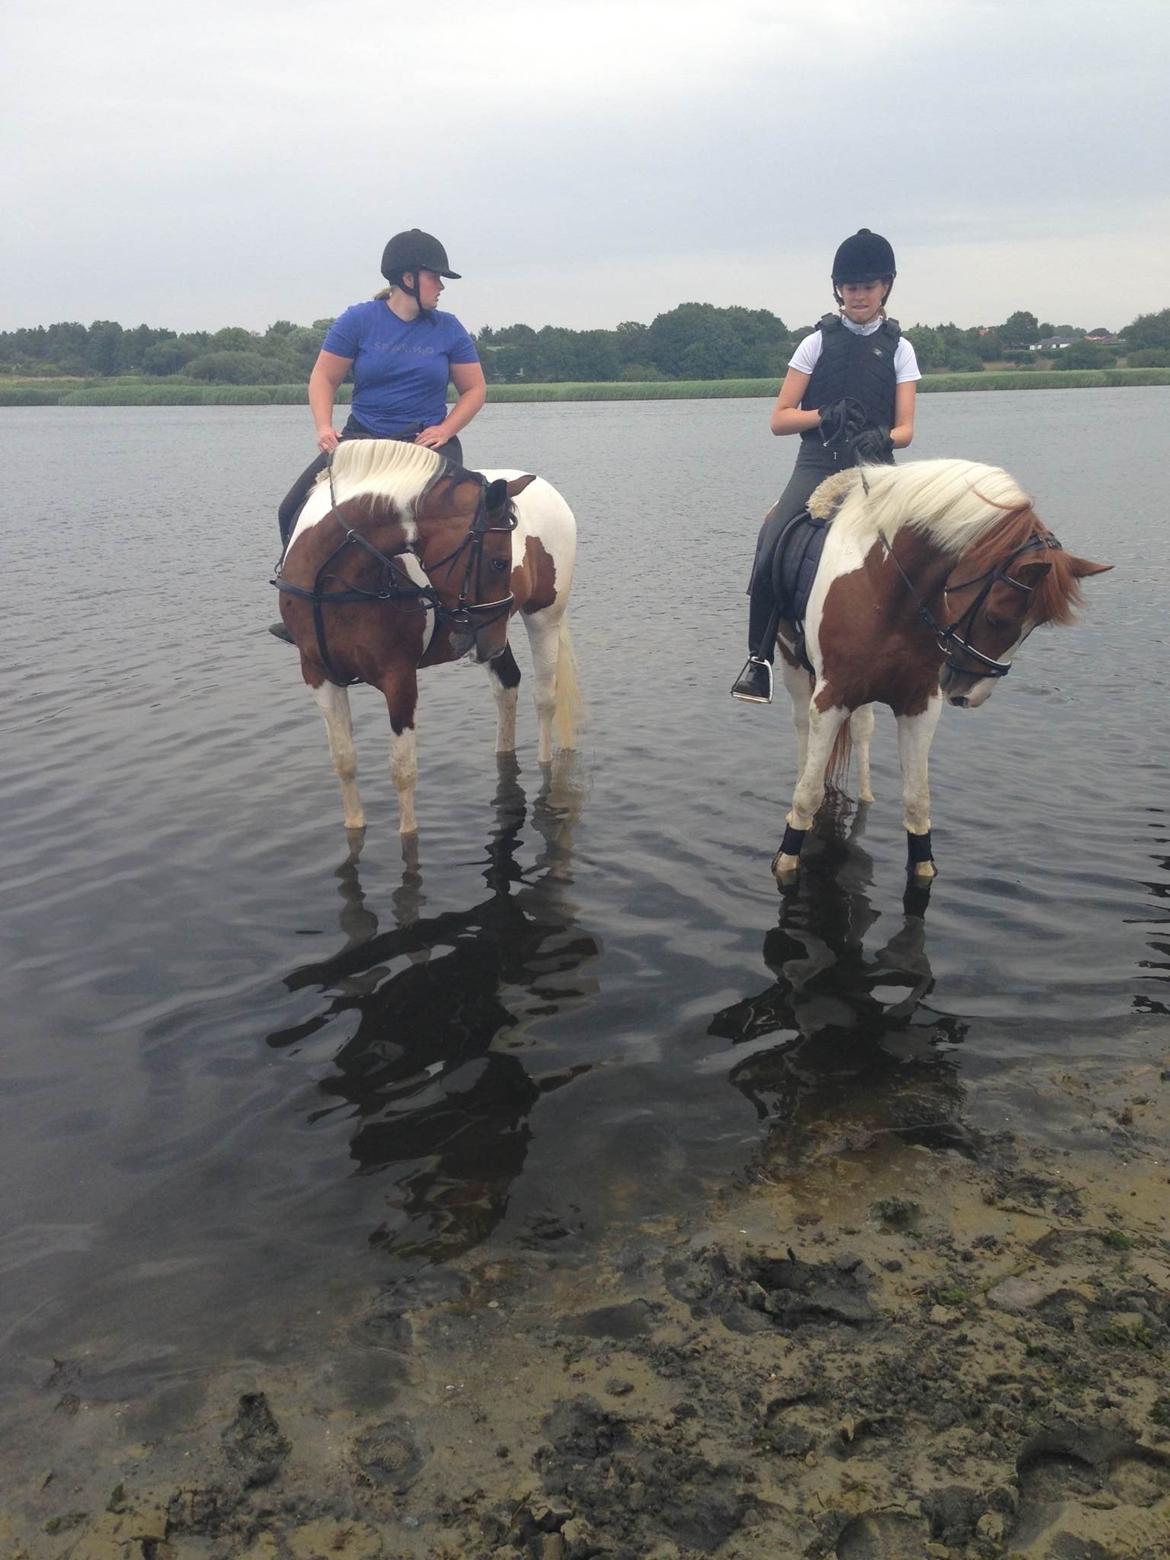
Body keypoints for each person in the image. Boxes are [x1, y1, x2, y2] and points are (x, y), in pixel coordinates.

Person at [730, 228, 920, 703]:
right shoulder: (815, 344)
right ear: (839, 289)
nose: (859, 296)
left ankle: (931, 651)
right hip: (818, 464)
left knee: (927, 544)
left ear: (885, 287)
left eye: (868, 287)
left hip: (876, 469)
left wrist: (884, 437)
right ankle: (758, 660)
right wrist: (823, 415)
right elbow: (779, 419)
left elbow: (906, 429)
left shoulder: (901, 348)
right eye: (851, 287)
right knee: (773, 536)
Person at [273, 227, 487, 552]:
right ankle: (298, 584)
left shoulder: (449, 328)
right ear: (408, 279)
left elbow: (475, 389)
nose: (441, 286)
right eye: (435, 277)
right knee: (290, 510)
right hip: (362, 440)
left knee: (466, 517)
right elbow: (324, 377)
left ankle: (458, 586)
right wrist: (324, 426)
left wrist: (446, 429)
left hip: (424, 444)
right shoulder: (358, 320)